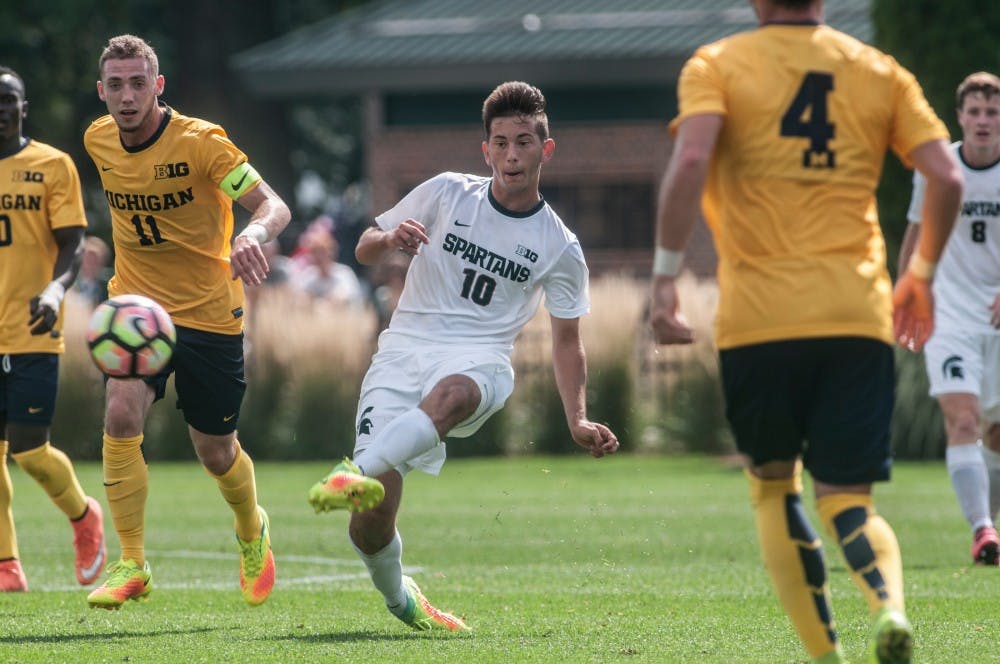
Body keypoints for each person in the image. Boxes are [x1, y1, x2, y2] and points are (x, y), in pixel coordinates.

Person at [648, 2, 963, 663]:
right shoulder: (879, 70)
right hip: (857, 313)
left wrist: (665, 277)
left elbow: (689, 163)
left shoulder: (717, 64)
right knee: (849, 497)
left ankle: (828, 656)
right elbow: (946, 175)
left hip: (760, 320)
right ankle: (889, 607)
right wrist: (923, 275)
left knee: (772, 485)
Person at [307, 81, 620, 631]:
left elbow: (566, 339)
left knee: (452, 395)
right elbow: (364, 245)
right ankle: (400, 597)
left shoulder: (560, 246)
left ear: (546, 149)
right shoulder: (447, 192)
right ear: (486, 150)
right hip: (402, 353)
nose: (511, 155)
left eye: (524, 142)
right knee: (370, 521)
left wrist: (577, 417)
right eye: (500, 143)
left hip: (481, 361)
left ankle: (354, 470)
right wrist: (389, 241)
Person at [83, 35, 291, 610]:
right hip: (136, 313)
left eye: (138, 82)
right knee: (122, 411)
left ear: (158, 85)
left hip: (208, 315)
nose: (127, 96)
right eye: (116, 85)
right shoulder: (97, 139)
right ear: (102, 92)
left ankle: (252, 530)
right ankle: (132, 563)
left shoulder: (202, 146)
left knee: (215, 450)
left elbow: (273, 205)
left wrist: (251, 234)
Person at [0, 66, 106, 592]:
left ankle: (84, 516)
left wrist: (56, 289)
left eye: (8, 99)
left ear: (24, 107)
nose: (0, 107)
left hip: (32, 327)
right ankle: (6, 565)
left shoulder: (51, 164)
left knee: (28, 448)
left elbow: (73, 244)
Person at [899, 71, 1000, 567]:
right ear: (960, 116)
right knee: (963, 419)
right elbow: (916, 235)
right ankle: (983, 531)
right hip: (950, 314)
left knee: (997, 432)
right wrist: (905, 294)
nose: (983, 121)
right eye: (975, 112)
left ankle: (989, 517)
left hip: (998, 317)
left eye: (992, 112)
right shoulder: (939, 170)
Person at [70, 235, 112, 308]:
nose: (91, 262)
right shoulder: (69, 282)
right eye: (88, 256)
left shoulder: (110, 285)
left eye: (95, 258)